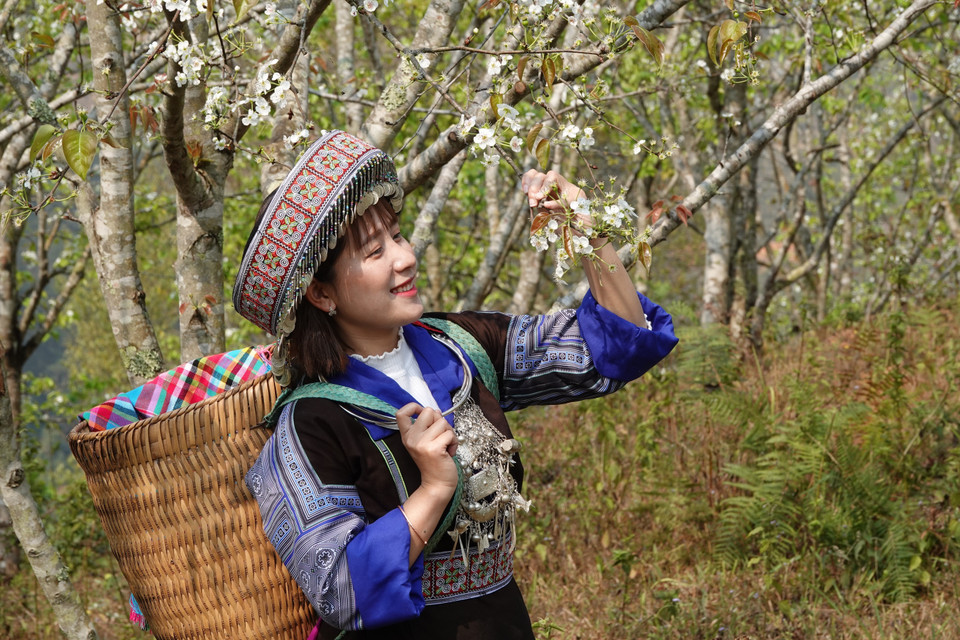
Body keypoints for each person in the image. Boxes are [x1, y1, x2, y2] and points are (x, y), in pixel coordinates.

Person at [233, 130, 678, 639]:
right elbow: (338, 588)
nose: (405, 258)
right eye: (376, 251)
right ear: (320, 293)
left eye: (397, 236)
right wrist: (435, 488)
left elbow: (617, 349)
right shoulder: (310, 423)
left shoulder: (461, 348)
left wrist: (587, 233)